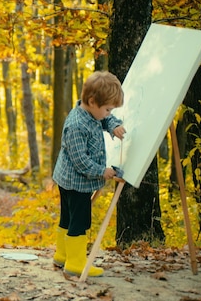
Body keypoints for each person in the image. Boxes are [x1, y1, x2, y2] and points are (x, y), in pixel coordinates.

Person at [51, 71, 127, 277]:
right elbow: (81, 162)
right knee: (79, 221)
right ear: (93, 101)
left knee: (68, 217)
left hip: (68, 179)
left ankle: (62, 255)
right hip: (76, 183)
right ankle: (75, 263)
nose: (108, 113)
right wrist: (103, 172)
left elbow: (104, 120)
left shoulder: (90, 113)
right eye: (107, 109)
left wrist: (114, 125)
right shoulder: (76, 125)